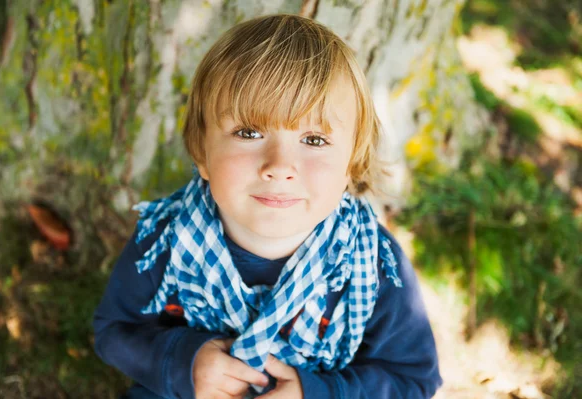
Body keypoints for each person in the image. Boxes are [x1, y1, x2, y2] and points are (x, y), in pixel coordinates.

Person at [93, 14, 443, 399]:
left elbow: (413, 380)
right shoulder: (165, 239)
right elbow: (115, 330)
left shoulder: (372, 264)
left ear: (352, 165)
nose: (279, 167)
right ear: (201, 152)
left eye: (313, 140)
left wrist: (319, 393)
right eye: (248, 132)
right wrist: (185, 363)